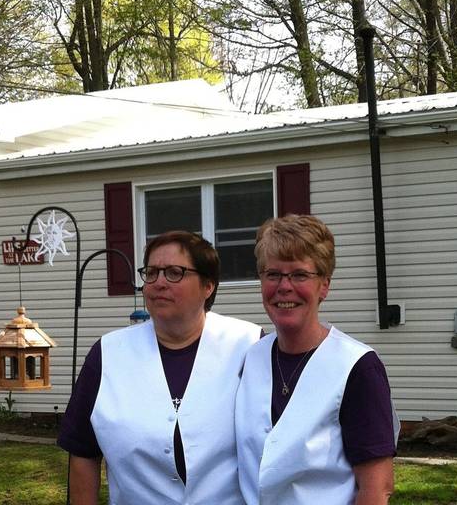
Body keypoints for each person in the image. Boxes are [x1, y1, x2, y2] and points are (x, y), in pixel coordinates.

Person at [57, 230, 262, 505]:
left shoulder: (249, 345)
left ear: (208, 285)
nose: (159, 283)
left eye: (174, 272)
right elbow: (82, 450)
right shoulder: (108, 354)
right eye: (151, 272)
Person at [236, 214, 399, 505]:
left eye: (299, 275)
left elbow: (377, 488)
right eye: (273, 274)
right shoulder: (252, 357)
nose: (284, 287)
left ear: (324, 285)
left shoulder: (356, 366)